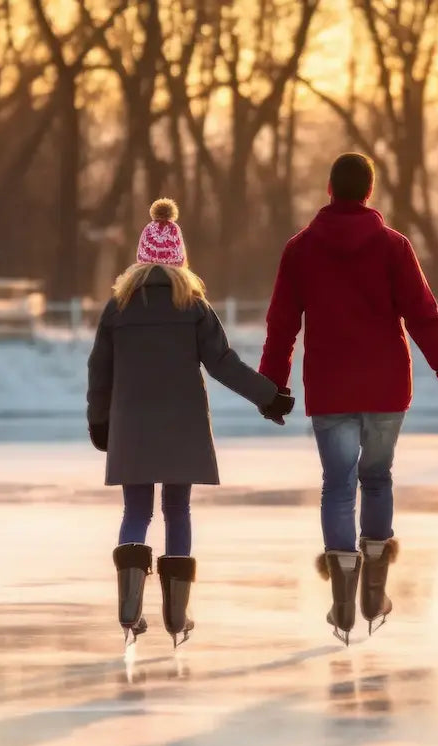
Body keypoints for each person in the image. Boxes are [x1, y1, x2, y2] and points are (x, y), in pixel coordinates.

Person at [259, 153, 438, 643]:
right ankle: (373, 591)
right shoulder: (394, 247)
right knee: (376, 478)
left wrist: (273, 385)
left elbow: (282, 325)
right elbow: (424, 317)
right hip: (385, 387)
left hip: (331, 387)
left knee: (338, 484)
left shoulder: (301, 250)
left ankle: (343, 605)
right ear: (369, 192)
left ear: (331, 189)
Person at [87, 198, 295, 647]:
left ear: (140, 259)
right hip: (182, 425)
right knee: (176, 509)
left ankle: (129, 610)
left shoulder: (117, 309)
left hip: (132, 424)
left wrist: (99, 422)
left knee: (136, 511)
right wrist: (269, 397)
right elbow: (223, 363)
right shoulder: (194, 307)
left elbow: (99, 370)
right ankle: (177, 617)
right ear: (181, 259)